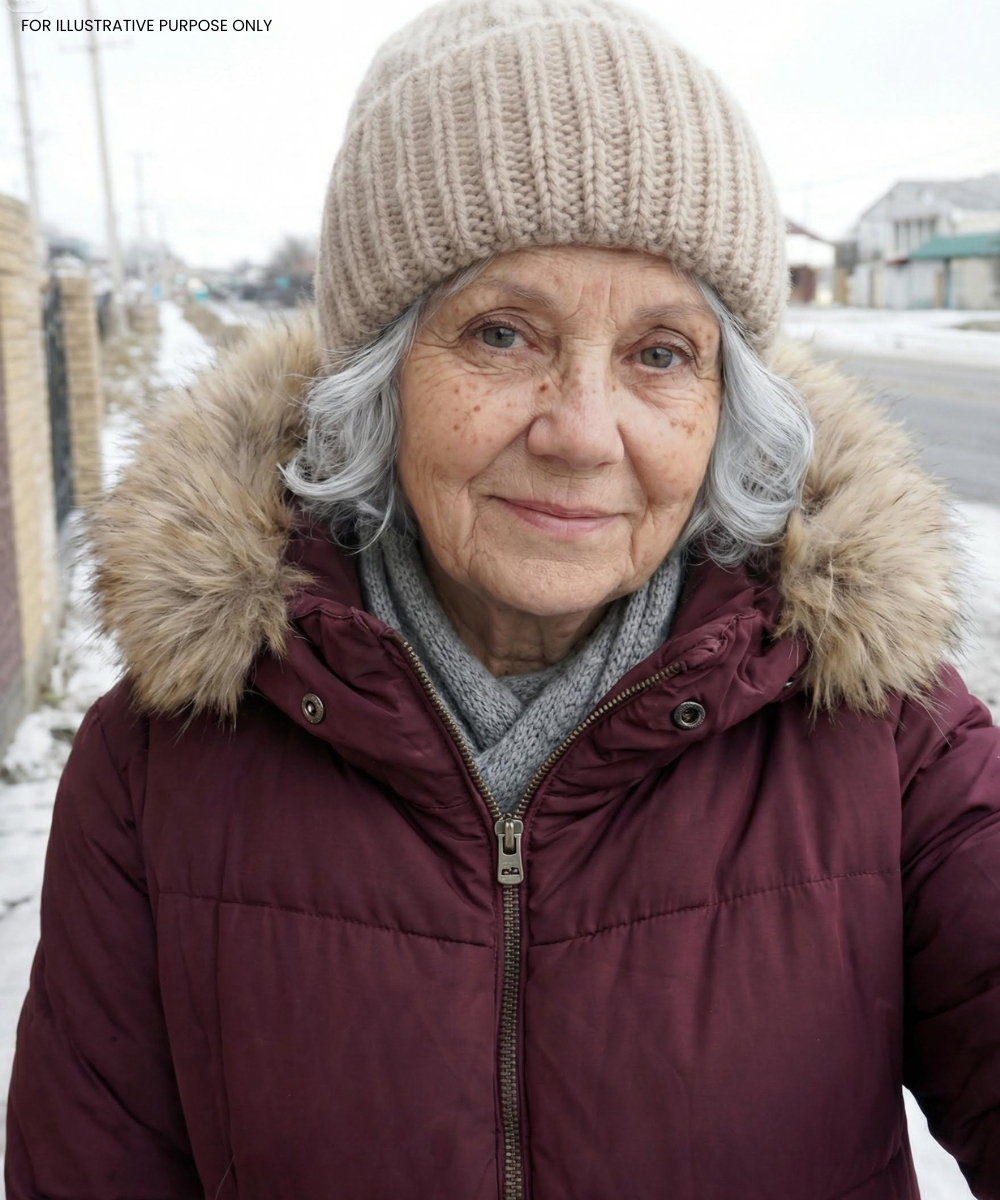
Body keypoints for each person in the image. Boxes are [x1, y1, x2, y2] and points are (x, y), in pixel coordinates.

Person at [6, 1, 1000, 1197]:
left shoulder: (892, 741)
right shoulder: (157, 769)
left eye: (662, 354)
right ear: (377, 381)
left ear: (728, 406)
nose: (581, 433)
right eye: (501, 335)